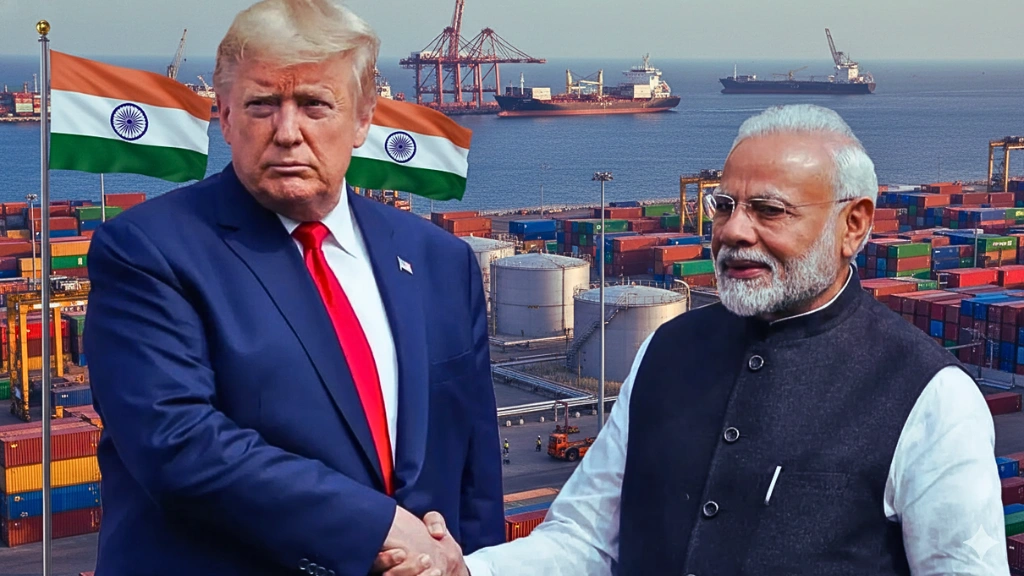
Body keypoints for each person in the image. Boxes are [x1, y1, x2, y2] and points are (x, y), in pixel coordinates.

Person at [376, 104, 1010, 575]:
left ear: (853, 225)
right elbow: (586, 538)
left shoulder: (931, 397)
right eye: (722, 206)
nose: (734, 231)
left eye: (768, 210)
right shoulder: (666, 349)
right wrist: (466, 571)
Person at [83, 1, 504, 575]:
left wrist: (471, 566)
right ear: (225, 117)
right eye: (262, 105)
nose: (287, 132)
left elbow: (474, 469)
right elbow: (178, 444)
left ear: (361, 120)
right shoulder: (145, 252)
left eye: (314, 104)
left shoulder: (440, 261)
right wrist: (378, 527)